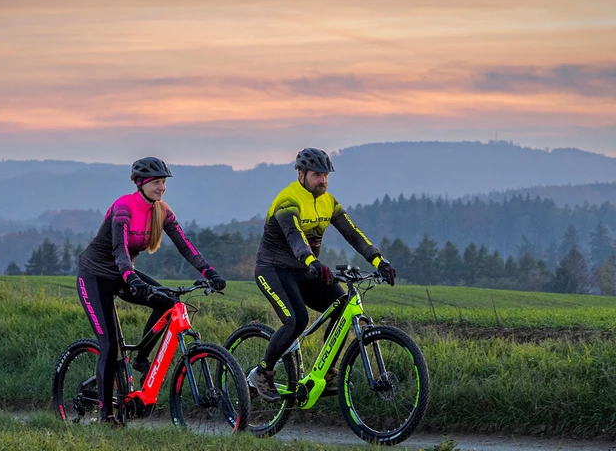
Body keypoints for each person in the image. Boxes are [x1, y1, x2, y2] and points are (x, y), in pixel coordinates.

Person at [76, 156, 226, 424]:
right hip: (95, 276)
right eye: (157, 182)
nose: (162, 187)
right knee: (109, 346)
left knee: (167, 303)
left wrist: (209, 272)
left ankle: (141, 358)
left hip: (125, 275)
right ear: (141, 183)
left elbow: (184, 244)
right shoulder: (124, 207)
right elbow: (119, 249)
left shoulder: (162, 211)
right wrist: (130, 277)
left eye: (164, 182)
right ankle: (105, 414)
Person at [249, 147, 396, 401]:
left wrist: (379, 260)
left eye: (326, 175)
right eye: (317, 175)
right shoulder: (288, 200)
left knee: (341, 307)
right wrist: (312, 261)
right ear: (301, 174)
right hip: (274, 269)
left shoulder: (329, 202)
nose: (323, 180)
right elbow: (295, 237)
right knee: (296, 321)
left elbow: (352, 234)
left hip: (305, 269)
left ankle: (326, 372)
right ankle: (262, 373)